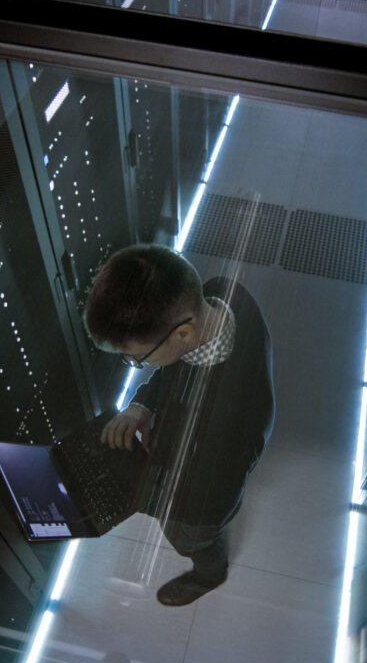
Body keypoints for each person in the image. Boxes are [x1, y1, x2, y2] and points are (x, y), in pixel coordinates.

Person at [82, 243, 275, 606]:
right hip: (198, 458)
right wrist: (142, 404)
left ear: (183, 334)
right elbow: (176, 368)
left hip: (200, 505)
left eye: (137, 358)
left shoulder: (229, 425)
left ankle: (210, 573)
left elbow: (206, 500)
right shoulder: (221, 292)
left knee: (192, 539)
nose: (132, 361)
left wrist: (127, 490)